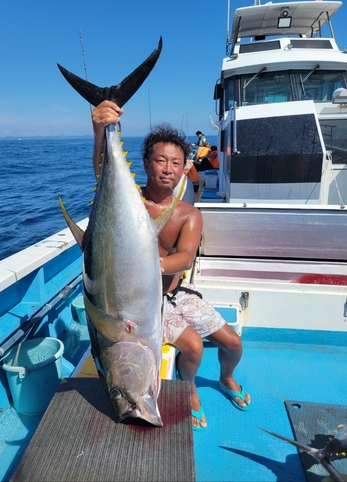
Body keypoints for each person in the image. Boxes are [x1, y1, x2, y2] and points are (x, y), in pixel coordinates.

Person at [92, 101, 251, 430]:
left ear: (183, 169)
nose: (167, 168)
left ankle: (226, 377)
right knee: (193, 347)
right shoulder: (129, 201)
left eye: (176, 162)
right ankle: (189, 388)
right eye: (160, 160)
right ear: (147, 164)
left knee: (233, 343)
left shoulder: (189, 214)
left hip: (177, 292)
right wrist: (100, 131)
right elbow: (102, 177)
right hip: (143, 305)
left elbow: (184, 259)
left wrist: (144, 267)